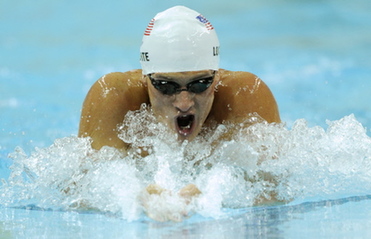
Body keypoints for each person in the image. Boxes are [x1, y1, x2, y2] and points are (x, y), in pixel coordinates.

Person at [78, 6, 280, 221]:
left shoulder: (245, 94)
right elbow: (79, 189)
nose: (184, 103)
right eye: (165, 85)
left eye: (200, 84)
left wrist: (216, 194)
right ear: (145, 79)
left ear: (216, 77)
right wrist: (133, 196)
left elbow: (277, 187)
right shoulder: (114, 95)